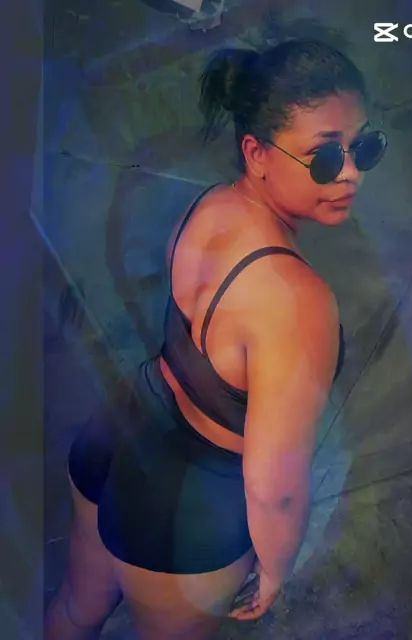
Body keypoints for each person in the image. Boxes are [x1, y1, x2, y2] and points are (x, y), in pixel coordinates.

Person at [44, 37, 387, 639]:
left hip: (119, 426)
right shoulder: (297, 302)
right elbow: (275, 490)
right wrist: (276, 567)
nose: (352, 173)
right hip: (183, 506)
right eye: (327, 156)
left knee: (76, 608)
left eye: (364, 147)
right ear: (257, 153)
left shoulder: (211, 206)